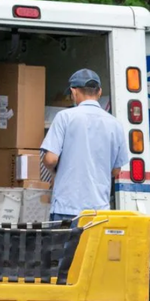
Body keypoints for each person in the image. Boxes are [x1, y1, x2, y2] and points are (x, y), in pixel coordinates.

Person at [41, 68, 128, 223]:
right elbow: (116, 170)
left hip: (67, 208)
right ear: (99, 92)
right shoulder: (115, 124)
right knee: (93, 248)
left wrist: (55, 171)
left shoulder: (64, 117)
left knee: (65, 248)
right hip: (98, 212)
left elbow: (50, 159)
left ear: (74, 92)